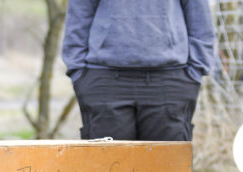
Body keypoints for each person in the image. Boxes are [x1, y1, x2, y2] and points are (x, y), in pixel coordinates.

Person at [62, 0, 215, 141]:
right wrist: (79, 72)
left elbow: (199, 17)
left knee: (167, 167)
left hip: (170, 81)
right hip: (104, 81)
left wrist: (195, 71)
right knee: (106, 167)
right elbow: (80, 12)